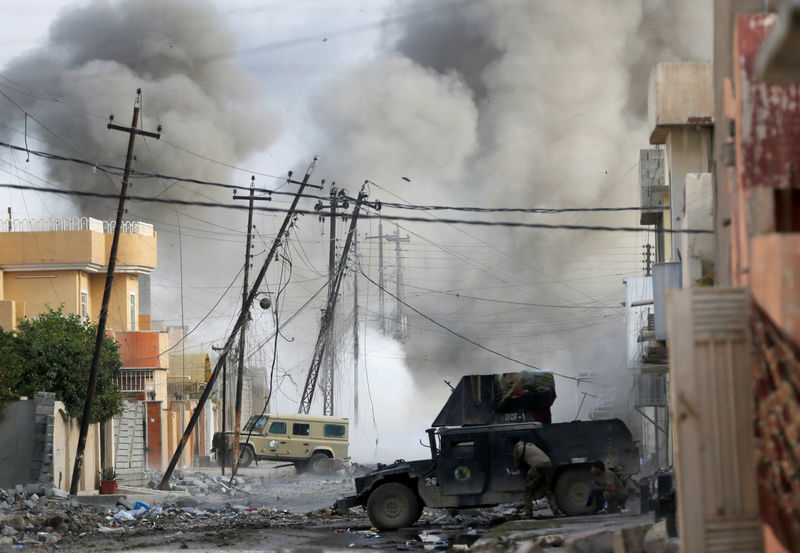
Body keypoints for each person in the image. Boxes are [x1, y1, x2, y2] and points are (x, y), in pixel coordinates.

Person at [513, 440, 561, 517]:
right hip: (548, 466)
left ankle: (528, 514)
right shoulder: (532, 445)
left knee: (527, 490)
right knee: (548, 491)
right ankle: (556, 511)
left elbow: (517, 464)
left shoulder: (517, 449)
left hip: (537, 468)